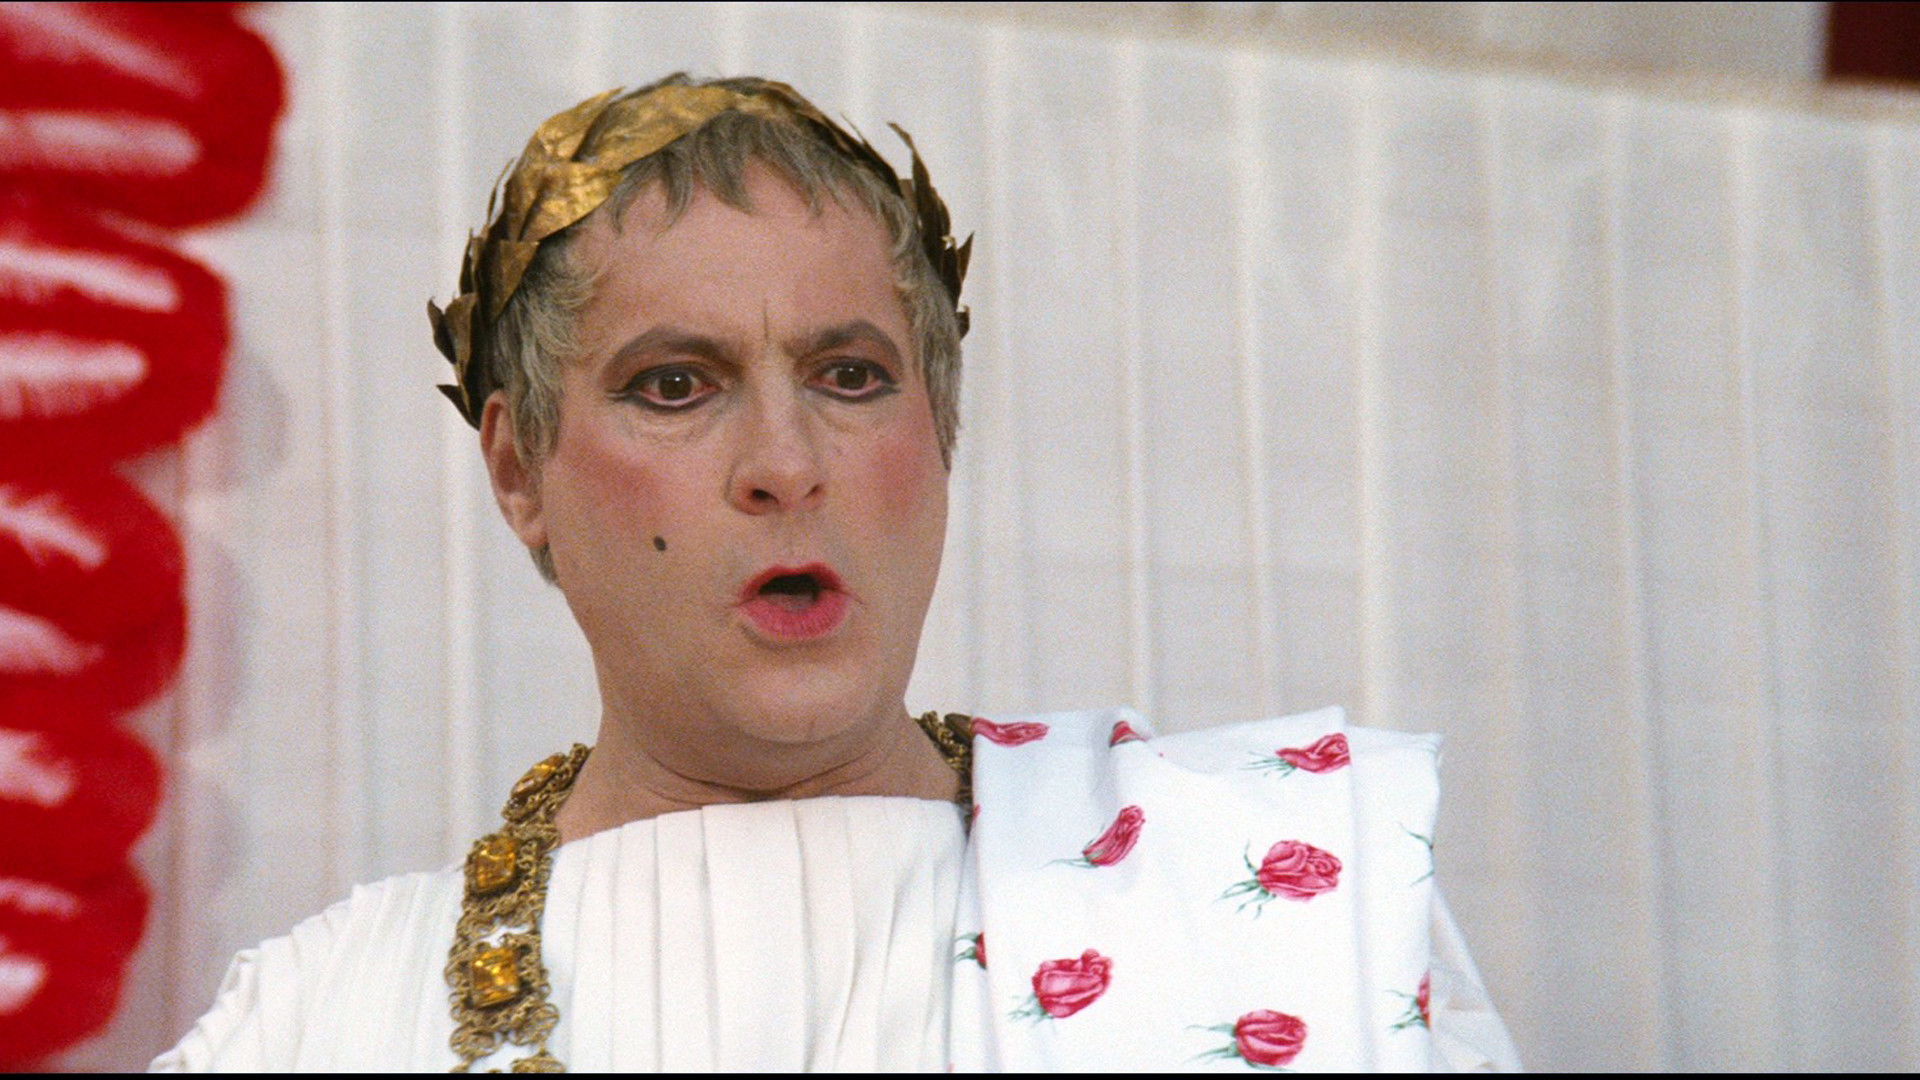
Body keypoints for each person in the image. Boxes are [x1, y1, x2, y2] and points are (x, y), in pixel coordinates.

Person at [151, 73, 1519, 1073]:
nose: (784, 463)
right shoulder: (320, 1021)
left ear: (941, 430)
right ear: (520, 472)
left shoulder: (1297, 899)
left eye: (851, 376)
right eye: (676, 385)